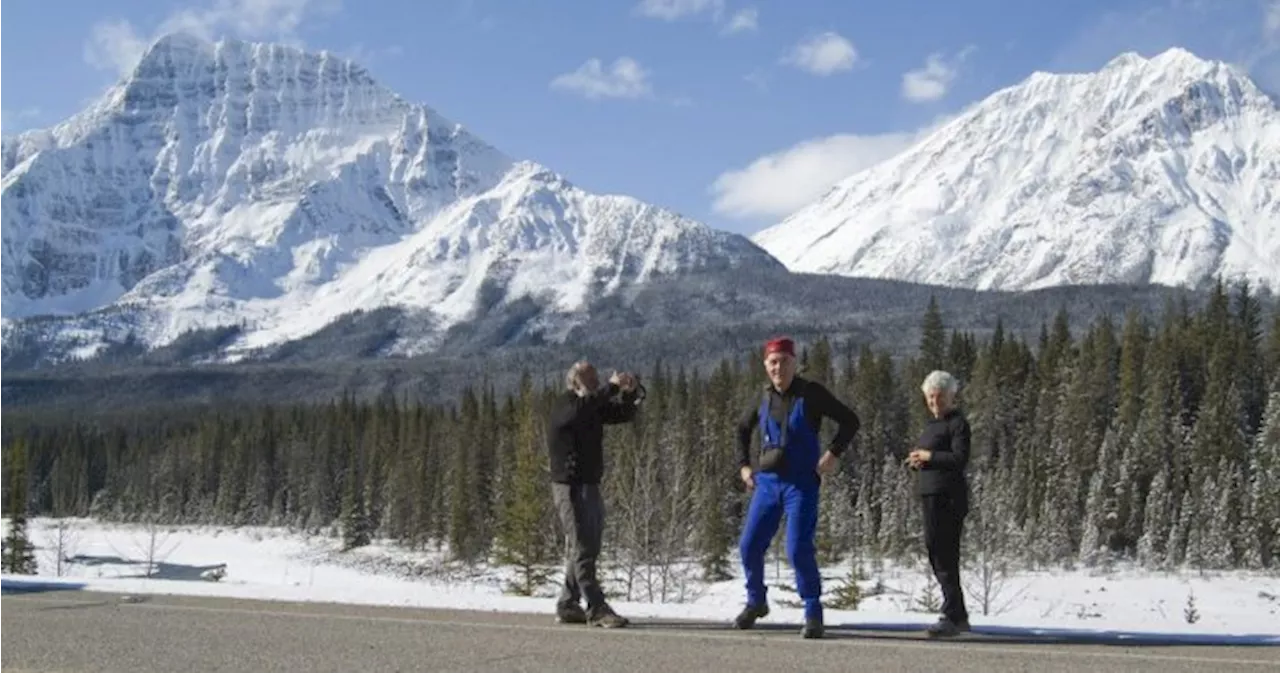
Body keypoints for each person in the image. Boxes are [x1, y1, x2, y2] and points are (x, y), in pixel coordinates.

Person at [732, 337, 861, 639]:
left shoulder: (811, 393)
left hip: (801, 484)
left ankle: (813, 611)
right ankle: (756, 601)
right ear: (766, 366)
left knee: (797, 549)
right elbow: (741, 429)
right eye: (773, 362)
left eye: (785, 361)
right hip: (767, 484)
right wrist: (744, 466)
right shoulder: (762, 397)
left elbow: (850, 421)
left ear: (794, 363)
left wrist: (832, 454)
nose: (779, 367)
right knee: (749, 546)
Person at [546, 360, 644, 628]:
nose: (598, 383)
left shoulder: (589, 408)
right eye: (592, 379)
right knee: (583, 547)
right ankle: (596, 607)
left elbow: (622, 414)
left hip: (589, 485)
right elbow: (582, 410)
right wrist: (611, 389)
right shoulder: (565, 406)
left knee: (588, 545)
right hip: (570, 487)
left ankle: (568, 602)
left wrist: (630, 392)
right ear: (576, 382)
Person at [906, 369, 972, 637]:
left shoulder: (958, 424)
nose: (935, 402)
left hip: (949, 497)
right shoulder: (932, 425)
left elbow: (959, 459)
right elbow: (930, 458)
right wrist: (916, 461)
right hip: (930, 494)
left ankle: (951, 614)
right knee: (937, 553)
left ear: (951, 396)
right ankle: (958, 614)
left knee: (944, 554)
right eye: (931, 397)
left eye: (940, 397)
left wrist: (930, 456)